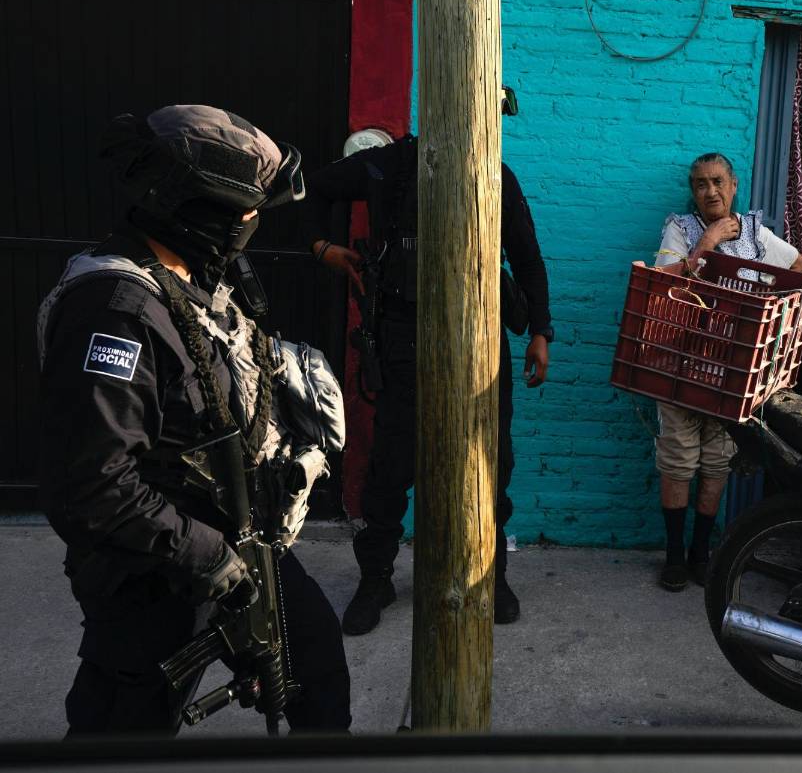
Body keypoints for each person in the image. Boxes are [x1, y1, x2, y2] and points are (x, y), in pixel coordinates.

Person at [36, 105, 351, 735]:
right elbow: (94, 486)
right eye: (242, 212)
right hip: (155, 575)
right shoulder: (115, 310)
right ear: (196, 212)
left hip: (244, 546)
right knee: (122, 730)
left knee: (317, 675)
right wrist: (208, 556)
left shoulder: (201, 279)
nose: (251, 224)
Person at [302, 134, 553, 632]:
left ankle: (492, 575)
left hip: (481, 337)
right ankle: (375, 578)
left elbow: (526, 256)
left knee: (490, 460)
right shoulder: (386, 166)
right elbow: (309, 187)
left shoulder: (493, 173)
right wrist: (322, 246)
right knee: (393, 464)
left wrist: (541, 332)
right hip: (404, 335)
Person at [652, 152, 802, 591]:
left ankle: (702, 554)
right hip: (679, 364)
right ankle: (675, 557)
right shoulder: (680, 229)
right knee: (679, 461)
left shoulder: (757, 233)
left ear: (734, 184)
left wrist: (772, 311)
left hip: (733, 373)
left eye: (718, 181)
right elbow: (663, 280)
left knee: (717, 461)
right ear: (693, 190)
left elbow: (799, 269)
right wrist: (710, 240)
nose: (710, 191)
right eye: (701, 184)